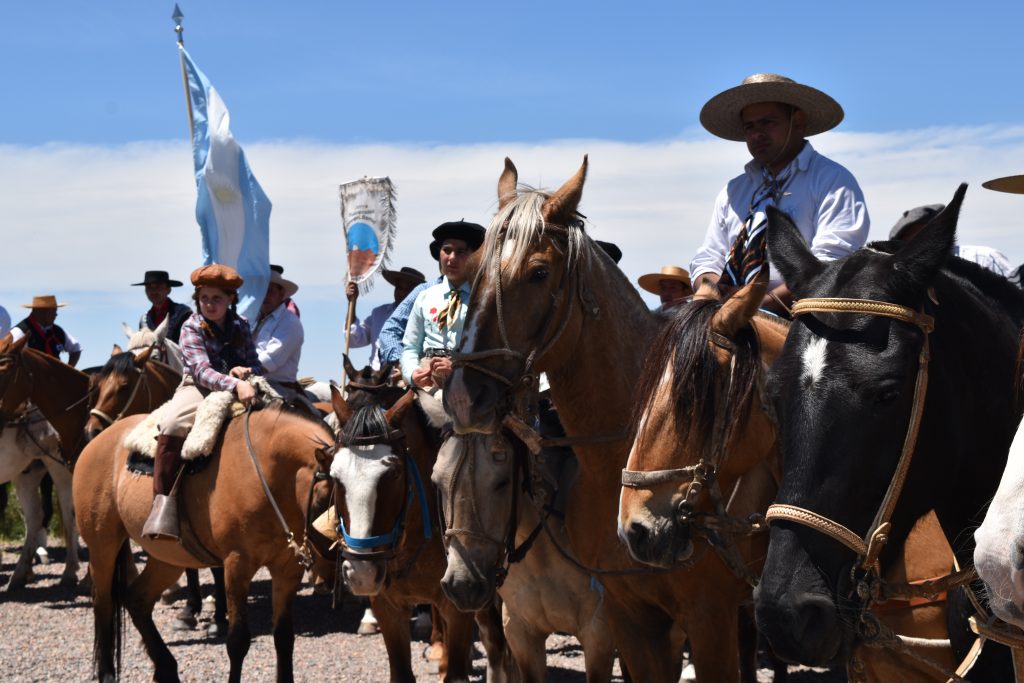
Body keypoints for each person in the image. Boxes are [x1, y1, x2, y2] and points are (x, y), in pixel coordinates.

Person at [690, 73, 870, 315]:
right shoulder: (733, 191)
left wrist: (761, 305)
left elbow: (831, 262)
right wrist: (712, 290)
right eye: (749, 126)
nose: (757, 134)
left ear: (798, 122)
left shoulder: (831, 179)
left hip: (804, 315)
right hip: (728, 314)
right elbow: (708, 256)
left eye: (768, 123)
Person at [143, 264, 263, 541]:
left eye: (216, 298)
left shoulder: (241, 325)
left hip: (241, 386)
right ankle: (162, 506)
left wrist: (246, 372)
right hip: (197, 388)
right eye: (204, 298)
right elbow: (201, 371)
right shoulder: (191, 326)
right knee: (172, 424)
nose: (210, 304)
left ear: (230, 299)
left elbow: (254, 363)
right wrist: (236, 382)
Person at [400, 221, 485, 420]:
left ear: (475, 257)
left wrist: (457, 367)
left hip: (469, 381)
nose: (452, 258)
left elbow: (490, 349)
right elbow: (410, 346)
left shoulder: (484, 298)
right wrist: (412, 374)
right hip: (426, 378)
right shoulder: (425, 296)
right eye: (446, 250)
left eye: (461, 251)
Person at [889, 204, 1014, 277]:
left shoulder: (983, 258)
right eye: (910, 239)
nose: (919, 242)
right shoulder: (905, 279)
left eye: (924, 233)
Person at [346, 267, 426, 370]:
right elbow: (354, 339)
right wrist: (352, 302)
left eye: (407, 290)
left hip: (408, 378)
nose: (401, 293)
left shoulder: (424, 317)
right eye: (399, 288)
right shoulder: (379, 313)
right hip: (375, 380)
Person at [253, 269, 304, 400]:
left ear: (282, 294)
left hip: (277, 389)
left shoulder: (290, 322)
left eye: (269, 291)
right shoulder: (252, 319)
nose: (265, 295)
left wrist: (241, 370)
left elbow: (267, 362)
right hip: (253, 382)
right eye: (261, 290)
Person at [10, 295, 81, 367]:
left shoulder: (58, 331)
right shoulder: (19, 332)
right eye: (53, 311)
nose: (56, 314)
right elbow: (10, 358)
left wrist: (68, 370)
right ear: (40, 312)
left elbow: (76, 348)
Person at [134, 270, 192, 343]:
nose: (153, 291)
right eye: (149, 287)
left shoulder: (183, 313)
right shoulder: (144, 319)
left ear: (168, 290)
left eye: (158, 286)